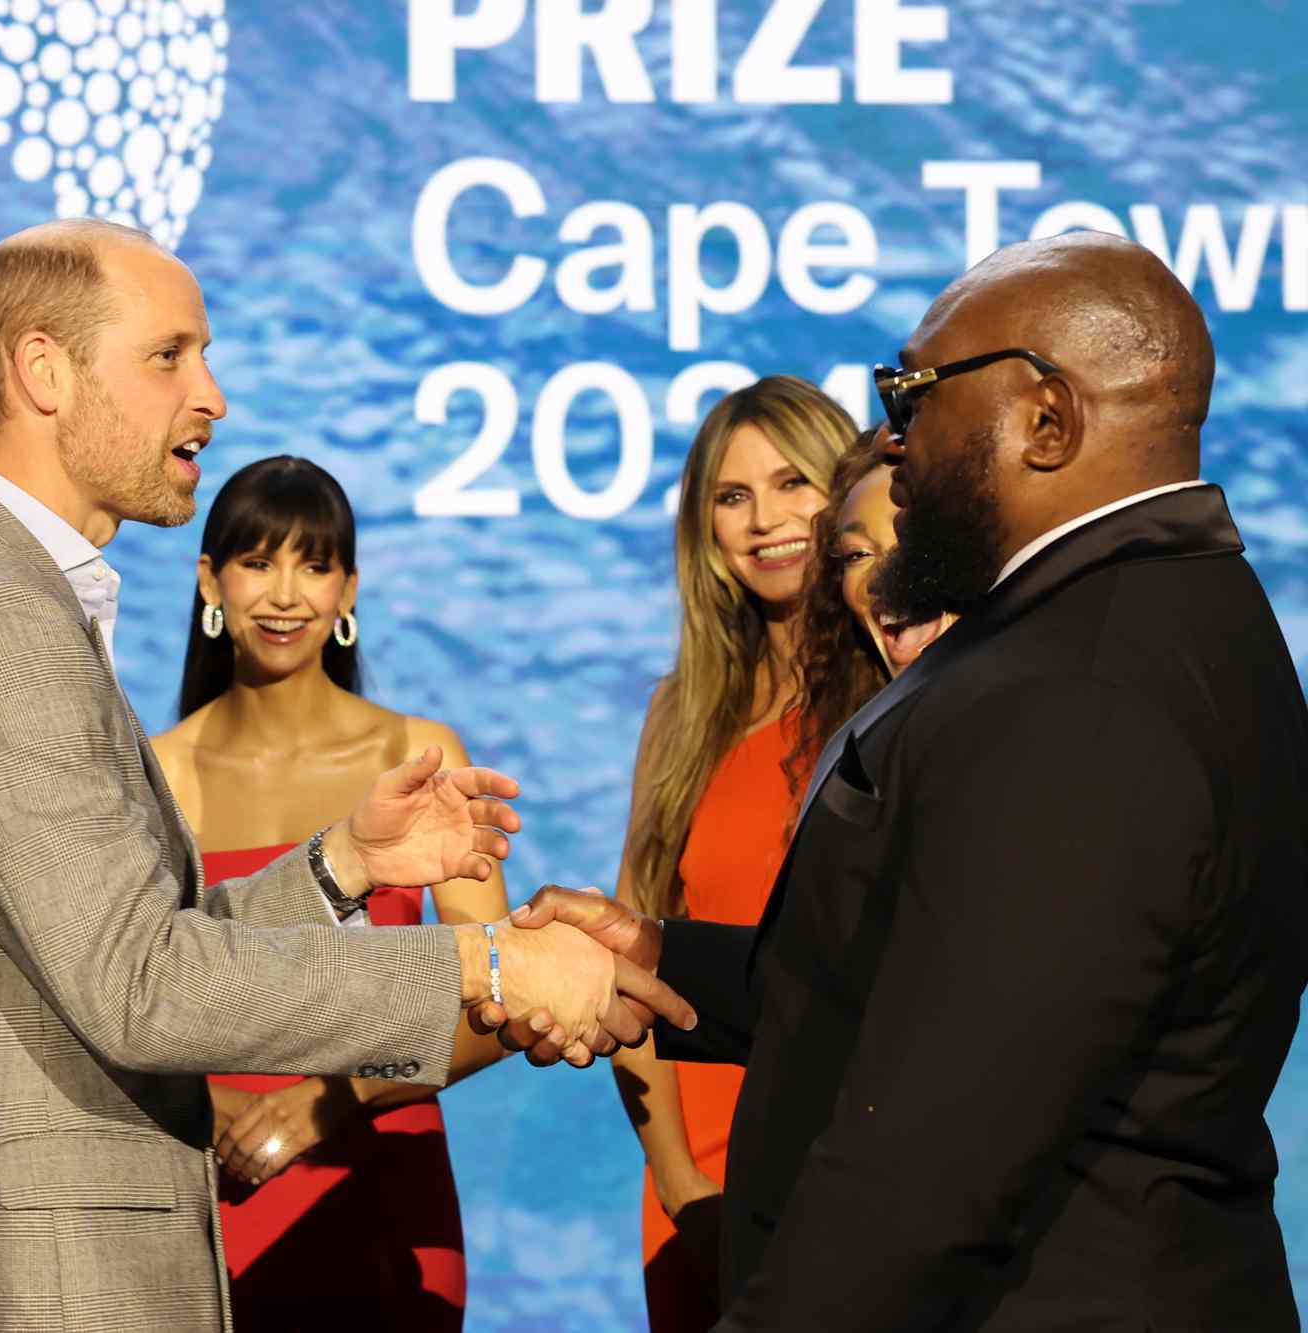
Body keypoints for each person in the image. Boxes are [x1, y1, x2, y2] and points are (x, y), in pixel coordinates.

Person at [0, 218, 688, 1333]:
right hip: (39, 1285)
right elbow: (142, 986)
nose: (213, 395)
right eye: (168, 355)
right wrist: (485, 962)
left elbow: (123, 945)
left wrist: (344, 863)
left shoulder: (7, 598)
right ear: (42, 370)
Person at [493, 232, 1308, 1331]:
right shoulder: (1162, 615)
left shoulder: (1076, 691)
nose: (889, 437)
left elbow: (934, 1157)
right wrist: (662, 954)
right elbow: (931, 985)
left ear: (1046, 420)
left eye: (911, 392)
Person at [152, 454, 509, 1330]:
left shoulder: (419, 755)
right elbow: (122, 987)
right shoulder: (154, 773)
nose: (285, 594)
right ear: (211, 579)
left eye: (313, 565)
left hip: (381, 1181)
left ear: (348, 589)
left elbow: (500, 993)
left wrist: (325, 1102)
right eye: (257, 561)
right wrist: (206, 1105)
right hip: (211, 1181)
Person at [605, 376, 864, 1332]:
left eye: (794, 482)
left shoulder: (906, 692)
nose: (766, 520)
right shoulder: (680, 716)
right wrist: (677, 1182)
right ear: (705, 530)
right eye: (733, 496)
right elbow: (628, 966)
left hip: (865, 1165)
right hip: (700, 1182)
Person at [785, 426, 958, 780]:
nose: (880, 577)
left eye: (913, 542)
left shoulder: (1055, 726)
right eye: (858, 554)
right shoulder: (841, 757)